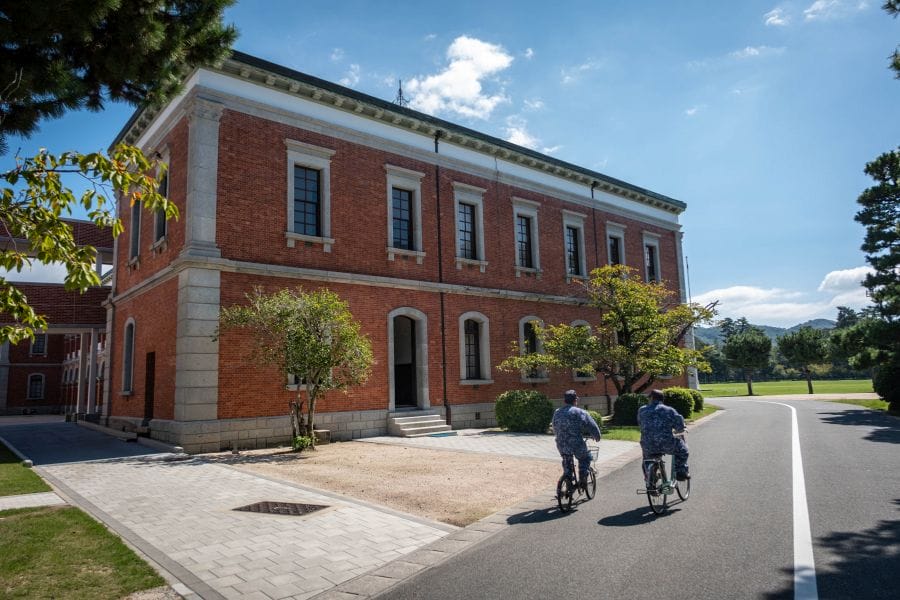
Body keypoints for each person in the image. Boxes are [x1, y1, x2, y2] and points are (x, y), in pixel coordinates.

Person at [637, 389, 690, 483]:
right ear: (662, 399)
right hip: (666, 444)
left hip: (648, 445)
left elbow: (641, 424)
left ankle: (649, 479)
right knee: (683, 450)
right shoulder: (669, 410)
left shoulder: (642, 410)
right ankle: (681, 472)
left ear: (652, 398)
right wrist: (680, 429)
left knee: (647, 459)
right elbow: (680, 427)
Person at [552, 389, 602, 487]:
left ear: (564, 401)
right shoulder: (579, 412)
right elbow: (591, 425)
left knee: (567, 460)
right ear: (575, 400)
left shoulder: (557, 412)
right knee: (585, 458)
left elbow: (554, 426)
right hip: (576, 443)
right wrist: (597, 436)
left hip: (561, 444)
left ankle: (567, 479)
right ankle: (583, 478)